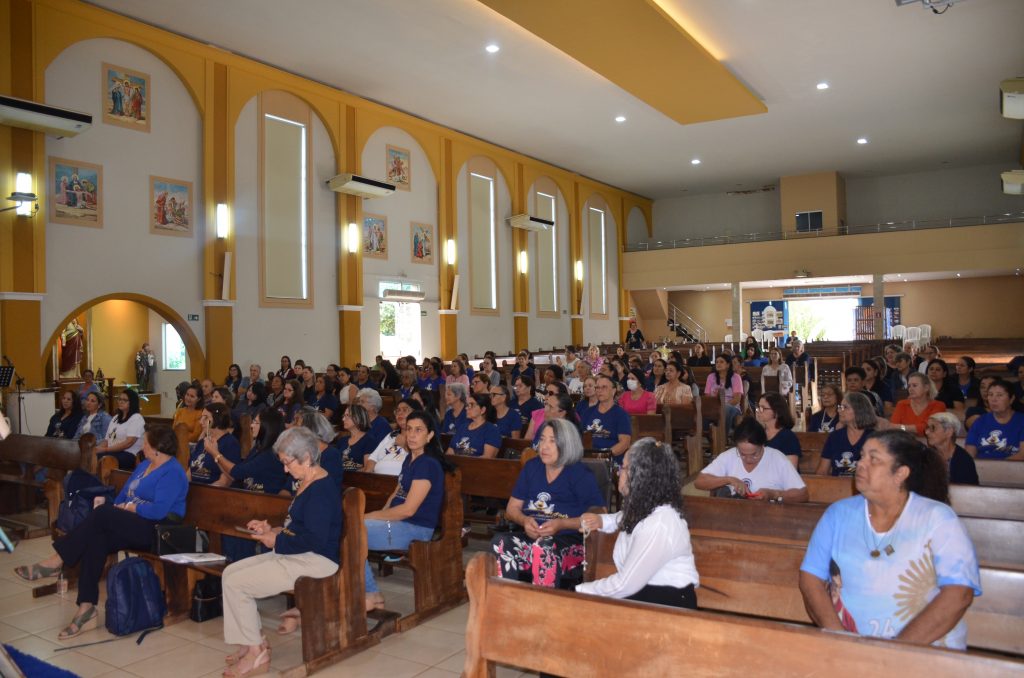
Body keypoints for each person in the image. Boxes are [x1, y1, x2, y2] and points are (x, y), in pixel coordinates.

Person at [799, 430, 981, 649]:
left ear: (900, 473)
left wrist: (895, 653)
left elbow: (958, 594)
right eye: (862, 456)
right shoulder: (837, 514)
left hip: (923, 651)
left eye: (873, 459)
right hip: (850, 650)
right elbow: (811, 579)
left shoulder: (938, 519)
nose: (861, 464)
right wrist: (840, 641)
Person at [14, 425, 188, 640]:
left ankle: (58, 559)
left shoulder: (173, 472)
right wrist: (116, 504)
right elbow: (123, 495)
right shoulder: (145, 465)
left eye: (146, 443)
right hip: (133, 522)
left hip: (155, 530)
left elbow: (159, 510)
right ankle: (86, 606)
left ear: (157, 450)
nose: (142, 446)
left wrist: (131, 508)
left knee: (103, 515)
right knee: (97, 537)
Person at [221, 428, 341, 676]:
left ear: (307, 457)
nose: (285, 470)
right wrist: (271, 529)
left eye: (288, 463)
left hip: (317, 561)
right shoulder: (307, 480)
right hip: (300, 554)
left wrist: (275, 541)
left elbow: (316, 541)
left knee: (238, 583)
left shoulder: (321, 489)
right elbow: (297, 527)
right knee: (230, 573)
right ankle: (251, 641)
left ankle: (257, 654)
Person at [577, 438, 699, 607]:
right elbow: (622, 517)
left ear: (641, 476)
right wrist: (601, 520)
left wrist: (579, 591)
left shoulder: (660, 523)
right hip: (646, 595)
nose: (619, 473)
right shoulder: (647, 507)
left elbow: (624, 584)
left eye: (624, 468)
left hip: (668, 605)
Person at [492, 419, 605, 588]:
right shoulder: (532, 467)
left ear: (567, 444)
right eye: (542, 439)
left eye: (552, 441)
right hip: (534, 538)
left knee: (544, 549)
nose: (544, 446)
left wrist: (562, 524)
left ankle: (542, 606)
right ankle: (509, 601)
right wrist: (524, 521)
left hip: (569, 541)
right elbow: (512, 508)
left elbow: (600, 514)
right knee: (500, 542)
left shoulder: (580, 474)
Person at [363, 412, 455, 610]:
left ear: (429, 436)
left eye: (418, 430)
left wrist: (368, 517)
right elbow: (396, 494)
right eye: (408, 429)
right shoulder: (409, 460)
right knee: (350, 528)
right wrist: (378, 515)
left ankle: (371, 593)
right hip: (397, 523)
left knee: (353, 532)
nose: (412, 435)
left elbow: (407, 510)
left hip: (415, 528)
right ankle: (364, 591)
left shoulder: (427, 464)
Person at [694, 419, 809, 502]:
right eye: (742, 454)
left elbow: (803, 495)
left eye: (755, 454)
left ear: (763, 445)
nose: (748, 459)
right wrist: (729, 479)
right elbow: (699, 482)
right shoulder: (729, 456)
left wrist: (774, 494)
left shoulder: (777, 458)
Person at [217, 408, 288, 494]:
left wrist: (215, 454)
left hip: (264, 502)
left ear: (268, 427)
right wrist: (216, 456)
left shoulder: (271, 454)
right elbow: (235, 474)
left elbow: (237, 472)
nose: (251, 425)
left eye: (256, 423)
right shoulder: (258, 448)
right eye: (253, 421)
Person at [816, 392, 877, 476]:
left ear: (859, 410)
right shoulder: (834, 437)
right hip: (837, 486)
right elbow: (822, 471)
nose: (839, 410)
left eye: (845, 407)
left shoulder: (874, 438)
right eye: (840, 407)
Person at [964, 379, 1024, 460]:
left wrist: (996, 467)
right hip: (981, 469)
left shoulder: (1021, 421)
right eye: (990, 395)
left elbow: (1022, 455)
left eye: (999, 395)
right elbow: (969, 454)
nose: (993, 399)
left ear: (1011, 399)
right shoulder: (980, 421)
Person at [582, 375, 632, 466]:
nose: (599, 390)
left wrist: (604, 455)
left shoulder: (621, 414)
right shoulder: (588, 412)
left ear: (613, 391)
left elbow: (624, 443)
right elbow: (581, 438)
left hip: (611, 461)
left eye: (604, 387)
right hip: (588, 460)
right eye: (597, 387)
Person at [364, 398, 421, 475]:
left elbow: (421, 463)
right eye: (398, 410)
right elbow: (373, 458)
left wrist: (405, 446)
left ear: (416, 413)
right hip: (376, 481)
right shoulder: (391, 435)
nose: (400, 413)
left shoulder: (421, 436)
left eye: (405, 410)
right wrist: (365, 479)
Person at [190, 403, 242, 485]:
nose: (200, 422)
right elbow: (190, 472)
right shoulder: (202, 442)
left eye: (206, 418)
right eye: (201, 417)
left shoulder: (230, 443)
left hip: (213, 493)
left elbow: (225, 481)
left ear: (218, 420)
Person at [95, 389, 145, 470]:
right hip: (112, 452)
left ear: (132, 402)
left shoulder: (136, 418)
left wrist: (105, 450)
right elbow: (107, 440)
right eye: (119, 399)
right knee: (91, 455)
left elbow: (128, 443)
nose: (121, 402)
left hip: (128, 454)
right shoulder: (115, 417)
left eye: (124, 400)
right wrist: (97, 449)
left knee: (101, 458)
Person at [925, 412, 978, 485]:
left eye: (932, 428)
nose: (927, 432)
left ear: (949, 432)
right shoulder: (926, 456)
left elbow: (967, 491)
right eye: (927, 428)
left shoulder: (964, 460)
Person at [447, 393, 501, 458]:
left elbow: (487, 458)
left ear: (482, 410)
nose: (466, 408)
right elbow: (450, 451)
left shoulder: (492, 431)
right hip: (456, 466)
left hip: (476, 467)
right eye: (467, 405)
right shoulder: (462, 427)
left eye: (471, 405)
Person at [755, 392, 801, 467]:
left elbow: (791, 470)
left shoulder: (788, 437)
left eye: (763, 408)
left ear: (776, 411)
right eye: (758, 407)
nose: (758, 411)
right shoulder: (758, 434)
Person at [704, 355, 743, 433]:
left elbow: (737, 399)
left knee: (725, 409)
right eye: (717, 362)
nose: (718, 364)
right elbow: (707, 396)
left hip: (732, 407)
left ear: (728, 365)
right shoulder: (711, 377)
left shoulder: (736, 377)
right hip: (714, 407)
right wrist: (716, 407)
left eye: (721, 362)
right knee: (701, 410)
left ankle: (723, 436)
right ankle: (707, 434)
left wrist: (722, 406)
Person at [338, 403, 377, 468]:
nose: (343, 419)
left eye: (347, 415)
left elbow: (367, 470)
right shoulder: (342, 440)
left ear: (358, 418)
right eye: (343, 416)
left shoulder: (369, 441)